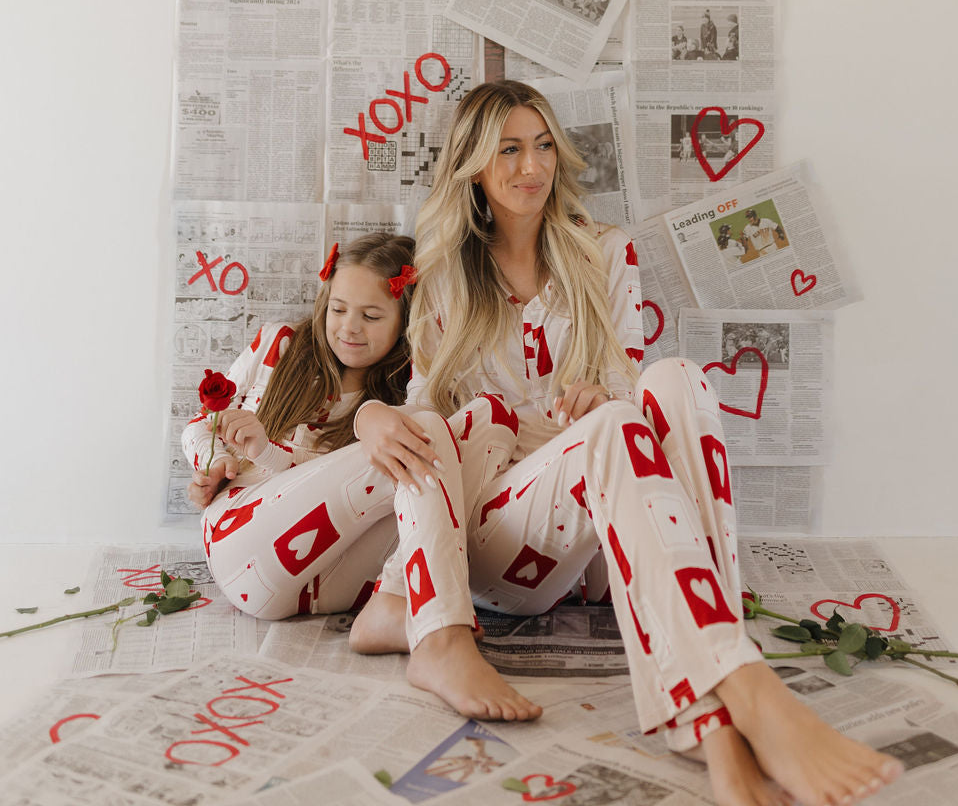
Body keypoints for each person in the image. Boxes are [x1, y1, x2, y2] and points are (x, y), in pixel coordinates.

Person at [350, 82, 902, 806]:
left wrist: (604, 396)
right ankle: (744, 689)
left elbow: (629, 387)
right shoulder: (446, 273)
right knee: (607, 424)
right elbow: (426, 416)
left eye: (543, 144)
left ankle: (720, 731)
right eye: (509, 149)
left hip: (603, 536)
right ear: (475, 167)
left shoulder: (605, 251)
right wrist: (367, 416)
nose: (532, 166)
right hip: (501, 539)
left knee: (674, 379)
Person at [182, 233, 519, 629]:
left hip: (334, 582)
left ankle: (397, 606)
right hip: (243, 547)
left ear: (405, 322)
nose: (349, 328)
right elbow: (200, 425)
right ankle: (428, 614)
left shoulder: (406, 390)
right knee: (420, 438)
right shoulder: (281, 343)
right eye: (338, 310)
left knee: (490, 418)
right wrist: (220, 461)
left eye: (372, 316)